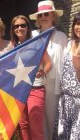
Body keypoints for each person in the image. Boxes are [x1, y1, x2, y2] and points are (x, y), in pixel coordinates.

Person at [29, 1, 68, 140]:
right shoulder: (32, 35)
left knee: (51, 119)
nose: (43, 17)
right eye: (40, 15)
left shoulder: (62, 37)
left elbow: (67, 61)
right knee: (36, 118)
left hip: (53, 84)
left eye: (47, 14)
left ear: (53, 16)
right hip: (35, 83)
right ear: (37, 19)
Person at [10, 15, 52, 140]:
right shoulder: (12, 46)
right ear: (12, 29)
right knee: (23, 126)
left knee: (36, 127)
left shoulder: (37, 43)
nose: (20, 28)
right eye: (16, 26)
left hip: (36, 89)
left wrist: (43, 71)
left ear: (28, 27)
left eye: (23, 25)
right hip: (18, 91)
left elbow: (48, 63)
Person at [53, 12, 80, 140]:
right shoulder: (69, 43)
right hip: (65, 100)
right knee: (63, 135)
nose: (79, 27)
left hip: (78, 101)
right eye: (77, 24)